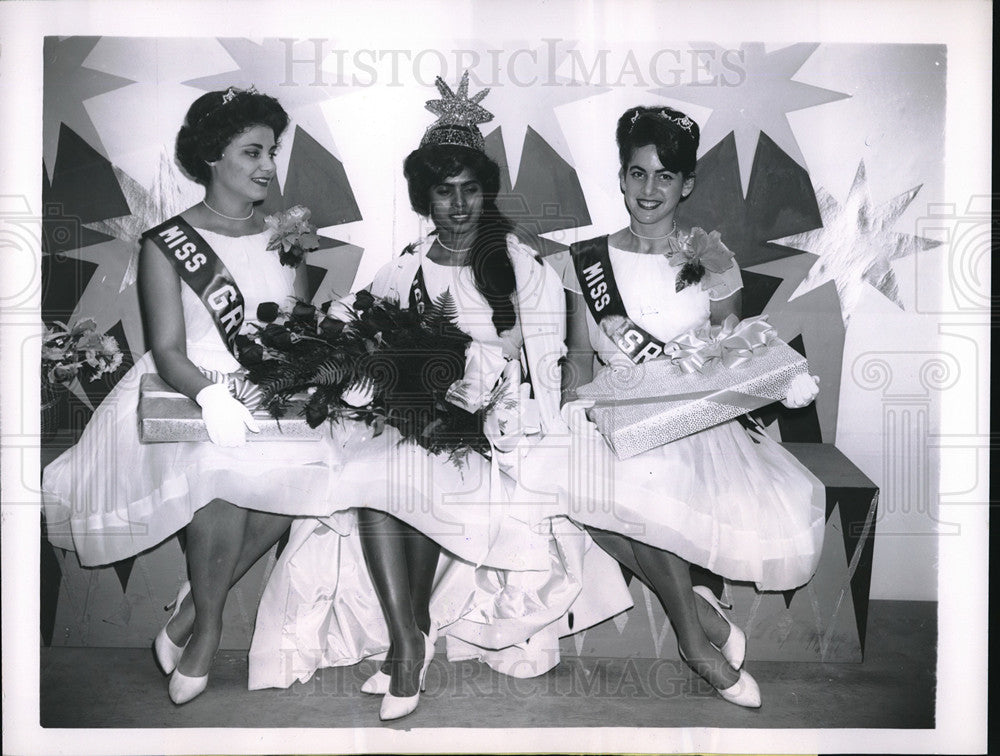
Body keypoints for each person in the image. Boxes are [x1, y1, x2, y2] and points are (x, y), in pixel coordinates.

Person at [248, 74, 631, 721]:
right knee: (375, 464)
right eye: (443, 191)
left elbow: (542, 371)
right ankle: (407, 639)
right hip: (410, 428)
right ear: (427, 196)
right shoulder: (403, 267)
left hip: (491, 436)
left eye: (469, 189)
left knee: (416, 463)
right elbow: (363, 339)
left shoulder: (521, 269)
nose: (457, 204)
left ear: (485, 193)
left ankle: (410, 639)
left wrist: (486, 398)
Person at [42, 87, 336, 705]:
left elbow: (301, 332)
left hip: (271, 393)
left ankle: (187, 611)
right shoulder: (166, 242)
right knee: (219, 471)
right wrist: (214, 399)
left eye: (271, 151)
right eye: (251, 151)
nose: (266, 165)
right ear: (211, 157)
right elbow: (169, 351)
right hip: (193, 391)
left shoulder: (289, 236)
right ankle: (208, 631)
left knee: (313, 476)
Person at [525, 105, 825, 708]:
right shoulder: (585, 263)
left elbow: (738, 343)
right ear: (621, 177)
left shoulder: (711, 259)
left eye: (665, 176)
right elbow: (581, 357)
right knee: (555, 477)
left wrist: (772, 372)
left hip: (687, 424)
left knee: (642, 487)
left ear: (686, 184)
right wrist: (564, 420)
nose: (649, 190)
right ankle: (703, 625)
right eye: (638, 174)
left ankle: (693, 642)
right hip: (611, 412)